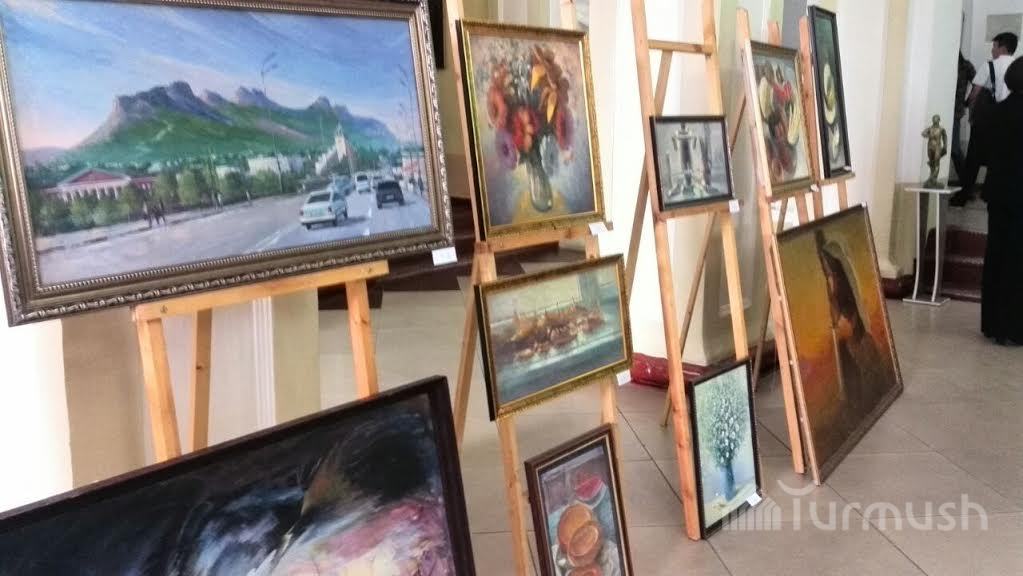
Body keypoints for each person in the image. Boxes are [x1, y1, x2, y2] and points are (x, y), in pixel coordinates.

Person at [981, 57, 1023, 346]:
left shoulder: (996, 111)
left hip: (998, 191)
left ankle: (993, 323)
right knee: (1018, 259)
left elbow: (985, 152)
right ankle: (1015, 326)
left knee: (996, 253)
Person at [956, 32, 1018, 206]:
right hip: (1012, 120)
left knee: (973, 158)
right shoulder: (1018, 66)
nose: (992, 50)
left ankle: (963, 195)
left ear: (1002, 47)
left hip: (990, 119)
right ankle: (994, 194)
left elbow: (975, 93)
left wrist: (969, 109)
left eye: (994, 46)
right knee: (1001, 158)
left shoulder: (990, 65)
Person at [951, 53, 976, 184]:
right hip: (942, 109)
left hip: (955, 112)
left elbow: (977, 84)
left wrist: (967, 101)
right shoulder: (947, 65)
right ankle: (966, 182)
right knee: (953, 149)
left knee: (954, 149)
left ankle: (966, 182)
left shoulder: (966, 66)